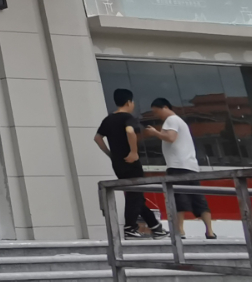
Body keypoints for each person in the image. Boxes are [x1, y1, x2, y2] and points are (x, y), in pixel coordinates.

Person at [93, 88, 165, 238]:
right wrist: (133, 152)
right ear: (128, 102)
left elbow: (97, 138)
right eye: (132, 102)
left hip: (118, 164)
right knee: (135, 195)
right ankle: (130, 228)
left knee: (136, 195)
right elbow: (130, 131)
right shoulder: (128, 117)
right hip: (131, 163)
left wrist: (110, 154)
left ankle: (155, 227)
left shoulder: (108, 119)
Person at [143, 97, 218, 239]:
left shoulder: (171, 120)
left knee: (178, 198)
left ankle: (180, 231)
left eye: (156, 111)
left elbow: (170, 137)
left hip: (177, 166)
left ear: (165, 107)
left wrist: (155, 133)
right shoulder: (180, 121)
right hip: (191, 166)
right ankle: (210, 231)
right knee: (199, 199)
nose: (156, 115)